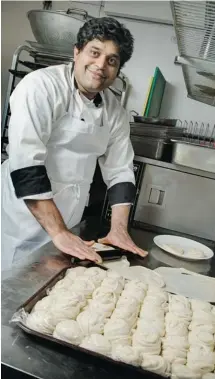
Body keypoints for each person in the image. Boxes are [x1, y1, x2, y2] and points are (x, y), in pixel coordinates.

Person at [1, 17, 148, 271]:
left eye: (112, 60)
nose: (101, 65)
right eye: (95, 52)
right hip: (19, 223)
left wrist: (119, 230)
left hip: (68, 225)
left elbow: (121, 171)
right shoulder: (40, 88)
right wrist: (58, 231)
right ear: (77, 51)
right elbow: (26, 165)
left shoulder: (115, 111)